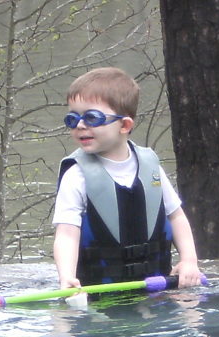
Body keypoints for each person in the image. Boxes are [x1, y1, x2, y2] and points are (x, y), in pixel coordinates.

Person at [53, 67, 201, 290]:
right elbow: (67, 234)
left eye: (92, 117)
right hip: (99, 292)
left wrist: (189, 261)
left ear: (124, 125)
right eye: (72, 119)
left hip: (157, 288)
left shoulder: (150, 167)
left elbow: (176, 216)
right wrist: (66, 277)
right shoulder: (76, 176)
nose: (80, 125)